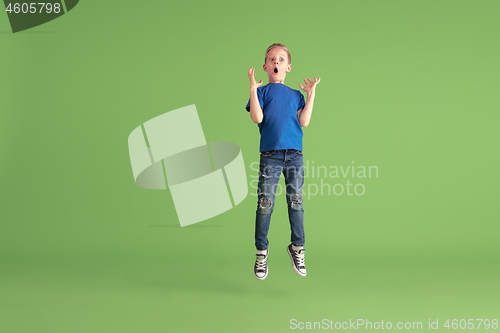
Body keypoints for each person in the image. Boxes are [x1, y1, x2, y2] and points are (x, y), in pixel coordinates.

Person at [245, 43, 320, 280]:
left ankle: (297, 247)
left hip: (294, 156)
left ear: (288, 67)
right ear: (265, 66)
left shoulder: (295, 95)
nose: (276, 62)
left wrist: (311, 95)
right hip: (271, 155)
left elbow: (304, 122)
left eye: (280, 59)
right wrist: (252, 90)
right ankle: (261, 252)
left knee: (296, 201)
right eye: (271, 59)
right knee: (265, 203)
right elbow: (257, 117)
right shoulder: (262, 92)